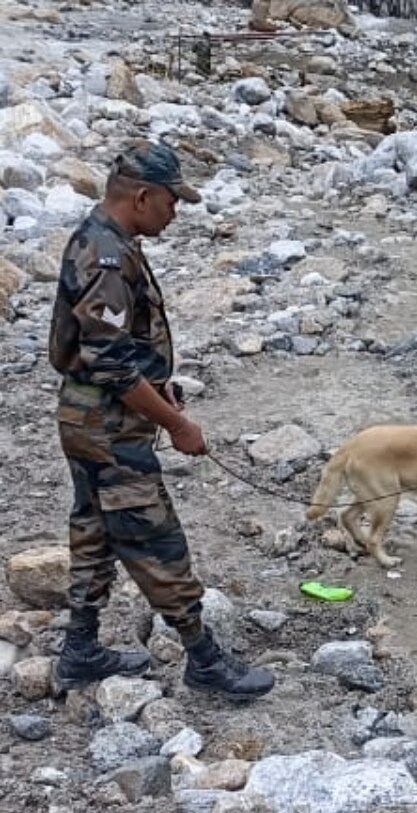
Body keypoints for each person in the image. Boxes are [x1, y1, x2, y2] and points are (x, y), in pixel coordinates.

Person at [48, 142, 274, 701]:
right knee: (154, 536)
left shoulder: (108, 239)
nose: (175, 213)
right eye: (172, 202)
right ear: (142, 196)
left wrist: (157, 384)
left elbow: (116, 351)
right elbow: (111, 362)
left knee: (96, 529)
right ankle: (203, 658)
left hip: (90, 414)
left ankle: (79, 650)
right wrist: (175, 423)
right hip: (105, 424)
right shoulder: (105, 256)